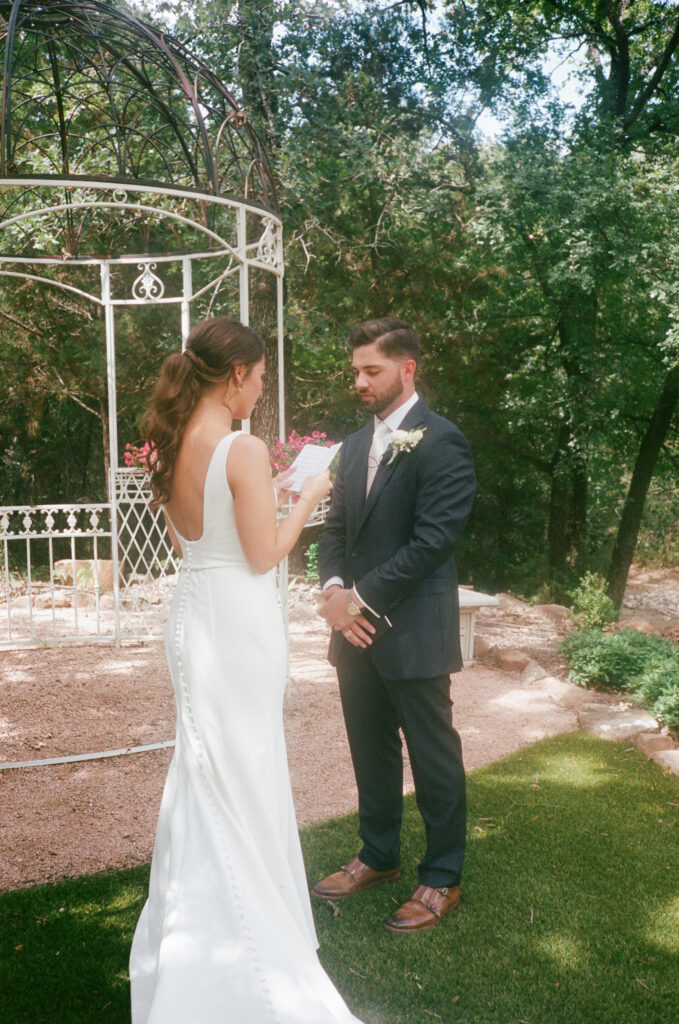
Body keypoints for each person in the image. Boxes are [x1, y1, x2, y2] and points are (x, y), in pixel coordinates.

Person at [129, 317, 365, 1023]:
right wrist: (311, 497)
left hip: (191, 616)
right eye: (259, 379)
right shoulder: (241, 447)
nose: (259, 392)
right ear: (236, 374)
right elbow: (264, 555)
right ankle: (253, 932)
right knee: (247, 762)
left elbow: (190, 539)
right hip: (238, 620)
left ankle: (197, 927)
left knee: (205, 765)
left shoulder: (167, 448)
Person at [314, 317, 476, 933]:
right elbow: (333, 531)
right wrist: (333, 593)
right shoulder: (354, 445)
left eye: (371, 370)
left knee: (433, 755)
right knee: (369, 748)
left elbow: (434, 539)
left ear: (407, 368)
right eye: (355, 370)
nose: (359, 381)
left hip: (412, 628)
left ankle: (441, 877)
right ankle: (378, 855)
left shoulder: (442, 440)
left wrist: (358, 598)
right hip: (351, 632)